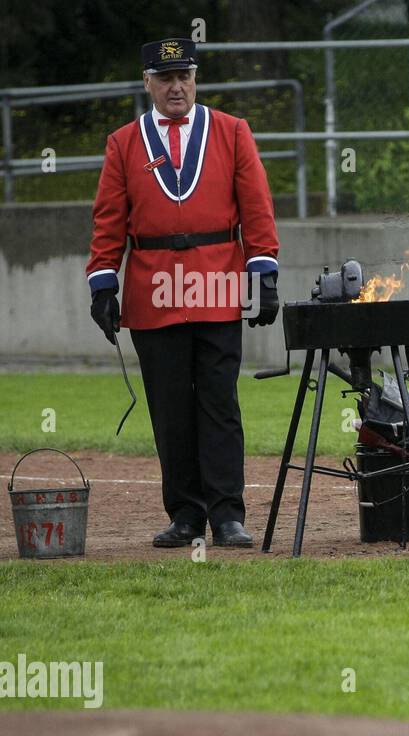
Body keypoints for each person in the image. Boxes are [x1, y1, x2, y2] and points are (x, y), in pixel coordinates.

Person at [85, 38, 280, 547]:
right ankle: (186, 514)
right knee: (170, 406)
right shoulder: (123, 143)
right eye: (165, 78)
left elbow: (256, 206)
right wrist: (103, 282)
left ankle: (227, 514)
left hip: (217, 280)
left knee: (219, 401)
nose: (177, 87)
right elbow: (108, 221)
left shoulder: (233, 132)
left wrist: (264, 270)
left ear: (195, 79)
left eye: (184, 76)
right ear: (148, 83)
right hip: (152, 287)